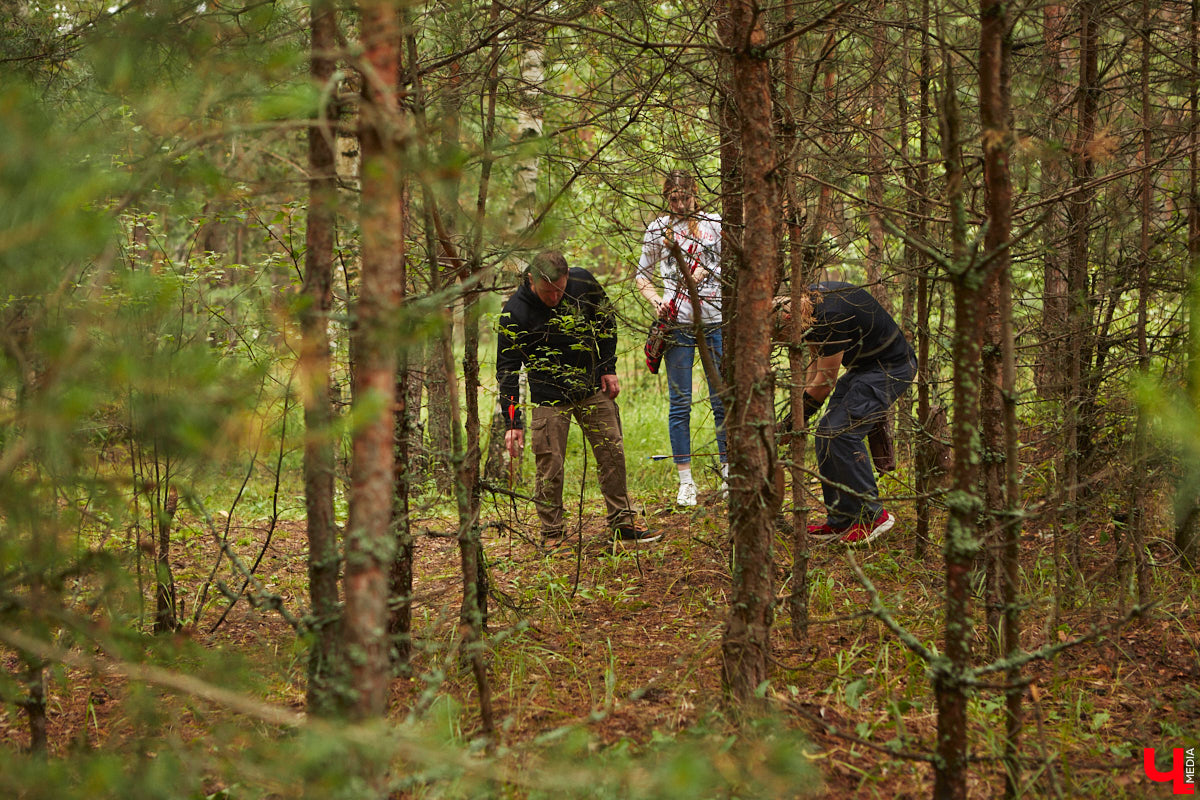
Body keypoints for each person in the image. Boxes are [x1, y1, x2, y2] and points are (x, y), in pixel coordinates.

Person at [497, 250, 659, 545]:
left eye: (559, 290)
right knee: (550, 465)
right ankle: (552, 534)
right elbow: (507, 369)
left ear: (568, 276)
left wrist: (607, 367)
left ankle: (622, 523)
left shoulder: (583, 282)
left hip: (591, 385)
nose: (554, 297)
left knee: (612, 452)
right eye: (547, 292)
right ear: (531, 279)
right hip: (548, 396)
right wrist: (513, 422)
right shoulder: (515, 312)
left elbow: (606, 321)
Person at [792, 281, 916, 546]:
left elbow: (824, 383)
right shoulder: (810, 304)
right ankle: (842, 519)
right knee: (825, 435)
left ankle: (873, 516)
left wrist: (794, 421)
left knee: (840, 433)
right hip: (863, 367)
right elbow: (816, 366)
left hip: (891, 367)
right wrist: (797, 414)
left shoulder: (830, 316)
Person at [634, 170, 728, 507]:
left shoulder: (715, 224)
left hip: (715, 321)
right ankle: (686, 481)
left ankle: (728, 473)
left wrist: (706, 271)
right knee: (680, 402)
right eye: (672, 199)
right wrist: (656, 301)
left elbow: (732, 264)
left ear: (694, 193)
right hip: (678, 325)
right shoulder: (658, 229)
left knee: (721, 399)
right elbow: (642, 277)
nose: (679, 204)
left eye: (684, 197)